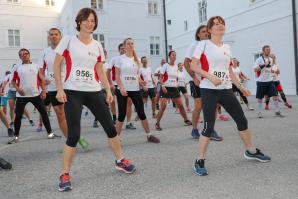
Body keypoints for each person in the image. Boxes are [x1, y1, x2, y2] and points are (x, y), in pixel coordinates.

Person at [54, 8, 136, 192]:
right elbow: (57, 63)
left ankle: (120, 160)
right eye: (86, 20)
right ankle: (64, 173)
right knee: (74, 134)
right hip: (73, 91)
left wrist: (108, 90)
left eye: (93, 20)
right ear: (79, 21)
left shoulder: (97, 45)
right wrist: (59, 88)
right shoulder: (68, 40)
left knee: (110, 127)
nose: (90, 23)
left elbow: (100, 69)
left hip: (93, 91)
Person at [191, 16, 271, 176]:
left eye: (222, 23)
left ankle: (251, 151)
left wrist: (241, 87)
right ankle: (199, 160)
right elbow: (193, 65)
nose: (220, 25)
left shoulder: (227, 47)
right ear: (210, 29)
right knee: (208, 126)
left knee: (242, 120)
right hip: (209, 89)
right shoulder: (203, 44)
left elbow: (229, 71)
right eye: (216, 24)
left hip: (226, 89)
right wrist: (209, 76)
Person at [37, 27, 89, 149]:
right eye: (51, 34)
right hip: (53, 87)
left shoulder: (67, 50)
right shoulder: (44, 52)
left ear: (60, 36)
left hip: (67, 85)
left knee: (70, 114)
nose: (54, 36)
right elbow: (40, 71)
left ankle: (77, 136)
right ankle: (70, 142)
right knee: (60, 114)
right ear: (49, 37)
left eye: (56, 34)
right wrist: (43, 78)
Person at [7, 48, 57, 144]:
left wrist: (43, 91)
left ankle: (50, 133)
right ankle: (16, 136)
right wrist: (18, 89)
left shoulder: (36, 66)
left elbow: (41, 79)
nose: (24, 55)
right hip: (22, 96)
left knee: (44, 112)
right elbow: (13, 81)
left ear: (29, 55)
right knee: (18, 116)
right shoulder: (17, 67)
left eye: (26, 53)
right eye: (22, 54)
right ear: (20, 57)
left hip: (35, 94)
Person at [114, 38, 160, 143]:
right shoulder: (119, 59)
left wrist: (141, 83)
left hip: (135, 89)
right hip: (123, 90)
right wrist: (121, 88)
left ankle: (149, 135)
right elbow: (116, 75)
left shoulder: (137, 59)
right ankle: (116, 139)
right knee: (121, 115)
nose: (130, 45)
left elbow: (136, 75)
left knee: (141, 112)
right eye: (128, 44)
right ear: (124, 46)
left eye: (132, 43)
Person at [184, 24, 223, 141]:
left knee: (214, 105)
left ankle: (210, 129)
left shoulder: (211, 46)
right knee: (199, 105)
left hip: (209, 80)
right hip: (197, 81)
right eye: (202, 32)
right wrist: (194, 77)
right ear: (198, 34)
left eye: (207, 31)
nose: (205, 33)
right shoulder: (194, 45)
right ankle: (194, 129)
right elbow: (186, 63)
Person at [155, 50, 192, 131]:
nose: (174, 56)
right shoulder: (165, 65)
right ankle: (157, 123)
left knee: (181, 106)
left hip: (174, 88)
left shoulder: (176, 67)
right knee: (163, 106)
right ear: (169, 56)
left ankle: (186, 120)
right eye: (172, 55)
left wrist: (178, 84)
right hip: (165, 88)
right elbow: (161, 77)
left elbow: (176, 77)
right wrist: (163, 86)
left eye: (175, 55)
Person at [254, 45, 284, 118]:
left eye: (269, 49)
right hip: (261, 81)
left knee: (275, 96)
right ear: (263, 51)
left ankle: (277, 111)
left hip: (270, 81)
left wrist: (274, 71)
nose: (269, 51)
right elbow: (255, 69)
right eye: (267, 49)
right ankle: (259, 112)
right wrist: (264, 64)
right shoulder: (259, 59)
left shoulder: (271, 59)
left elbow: (270, 69)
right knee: (260, 98)